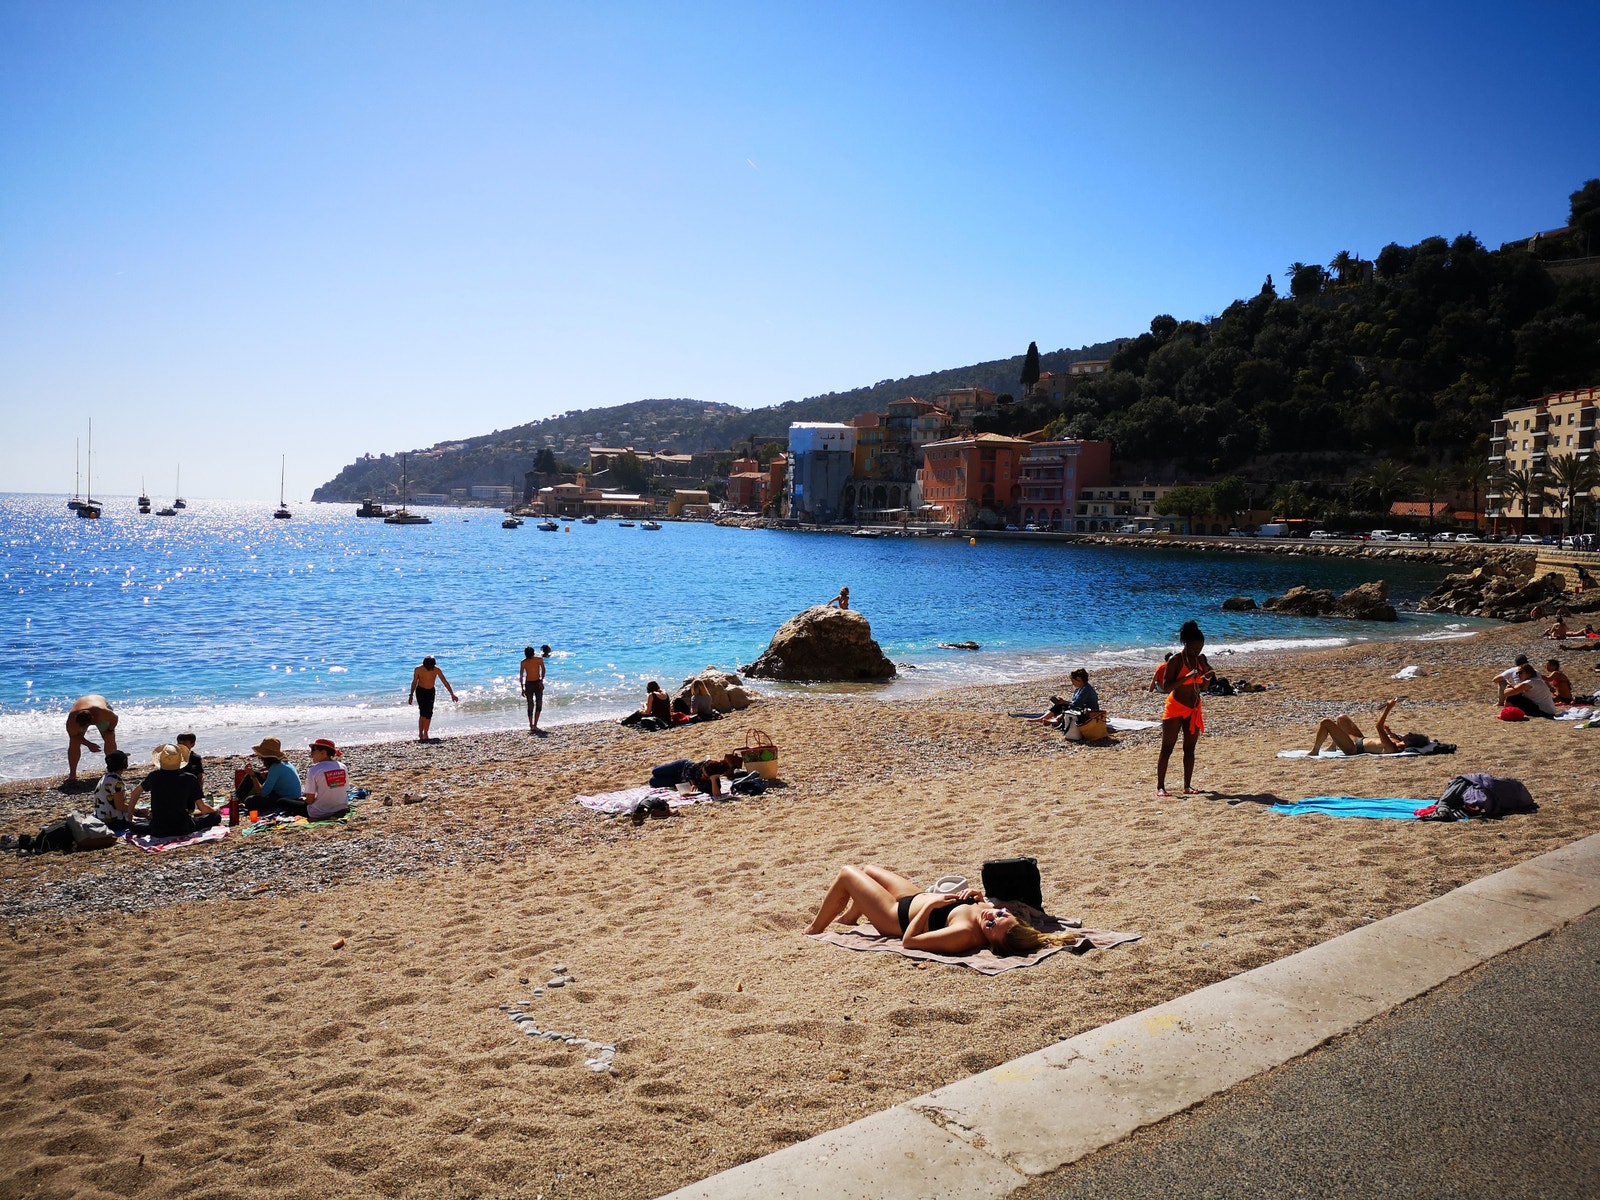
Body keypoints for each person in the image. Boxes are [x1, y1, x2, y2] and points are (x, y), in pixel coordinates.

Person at [804, 865, 1079, 956]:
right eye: (1001, 915)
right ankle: (851, 917)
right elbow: (984, 909)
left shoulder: (962, 935)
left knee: (847, 874)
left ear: (992, 942)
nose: (992, 916)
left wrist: (931, 907)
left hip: (895, 916)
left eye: (992, 925)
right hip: (914, 897)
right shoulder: (995, 916)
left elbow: (909, 942)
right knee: (868, 870)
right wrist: (977, 897)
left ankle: (815, 928)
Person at [1156, 621, 1214, 797]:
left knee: (1190, 748)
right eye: (1194, 647)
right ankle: (1160, 787)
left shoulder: (1201, 660)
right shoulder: (1176, 660)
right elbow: (1166, 687)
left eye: (1200, 647)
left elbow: (1203, 688)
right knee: (1167, 747)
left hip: (1194, 708)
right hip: (1175, 707)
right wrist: (1187, 677)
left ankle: (1187, 786)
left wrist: (1207, 677)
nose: (1197, 651)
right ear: (1186, 644)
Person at [131, 744, 220, 837]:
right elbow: (202, 807)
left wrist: (130, 817)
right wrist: (214, 810)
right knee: (215, 817)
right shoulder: (189, 778)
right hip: (183, 828)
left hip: (158, 829)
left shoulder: (153, 776)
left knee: (135, 826)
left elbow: (135, 793)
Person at [1309, 698, 1429, 755]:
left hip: (1354, 748)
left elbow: (1378, 727)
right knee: (1342, 718)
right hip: (1360, 739)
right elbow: (1389, 733)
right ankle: (1333, 746)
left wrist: (1388, 708)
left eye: (1409, 735)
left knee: (1326, 722)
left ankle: (1315, 751)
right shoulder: (1396, 740)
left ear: (1409, 741)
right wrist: (1389, 731)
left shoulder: (1392, 747)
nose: (1406, 734)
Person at [234, 736, 305, 809]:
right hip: (290, 794)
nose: (259, 758)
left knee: (249, 801)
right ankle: (235, 799)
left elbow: (262, 793)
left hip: (287, 800)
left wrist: (253, 775)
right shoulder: (284, 763)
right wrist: (266, 774)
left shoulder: (275, 768)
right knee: (254, 775)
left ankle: (234, 801)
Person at [65, 695, 119, 785]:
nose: (83, 728)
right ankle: (72, 774)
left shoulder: (102, 713)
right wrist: (89, 744)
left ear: (93, 720)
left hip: (99, 702)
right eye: (81, 726)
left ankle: (113, 769)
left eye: (85, 725)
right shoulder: (72, 719)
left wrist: (110, 730)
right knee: (74, 743)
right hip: (82, 706)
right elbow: (74, 736)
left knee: (109, 737)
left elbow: (115, 718)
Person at [408, 656, 458, 743]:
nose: (430, 667)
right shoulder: (418, 669)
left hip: (430, 691)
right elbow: (414, 681)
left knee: (429, 713)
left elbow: (444, 681)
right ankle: (420, 733)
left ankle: (426, 732)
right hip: (421, 691)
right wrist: (411, 694)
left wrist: (452, 694)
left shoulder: (436, 670)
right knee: (423, 712)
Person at [92, 750, 135, 830]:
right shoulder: (117, 782)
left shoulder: (105, 778)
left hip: (100, 816)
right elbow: (120, 807)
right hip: (113, 821)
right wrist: (137, 810)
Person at [519, 645, 547, 733]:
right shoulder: (524, 662)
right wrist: (522, 688)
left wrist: (541, 680)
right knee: (532, 705)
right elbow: (521, 675)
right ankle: (532, 725)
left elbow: (543, 669)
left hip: (536, 683)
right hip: (530, 684)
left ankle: (534, 725)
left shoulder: (538, 660)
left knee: (537, 704)